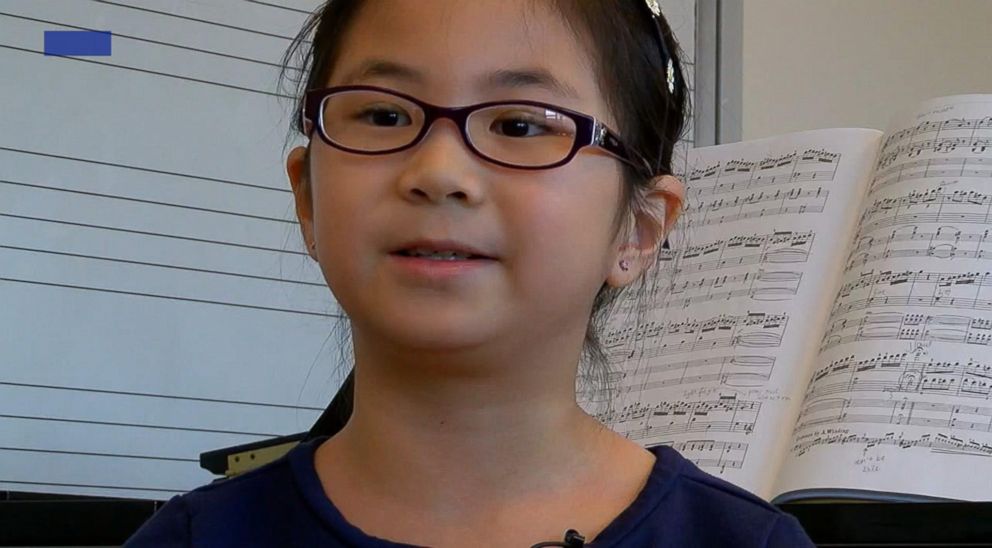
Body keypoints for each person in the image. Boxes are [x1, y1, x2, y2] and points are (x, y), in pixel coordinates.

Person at [125, 0, 815, 546]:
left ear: (638, 229)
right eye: (384, 114)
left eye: (519, 126)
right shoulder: (193, 538)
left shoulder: (744, 540)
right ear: (308, 198)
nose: (438, 173)